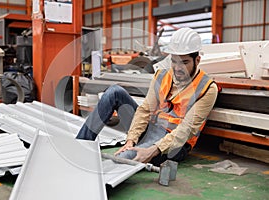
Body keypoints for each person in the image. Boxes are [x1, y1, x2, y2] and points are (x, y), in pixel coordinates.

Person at [76, 27, 218, 166]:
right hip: (151, 129)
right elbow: (145, 110)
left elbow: (186, 130)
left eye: (184, 62)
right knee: (114, 92)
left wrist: (152, 150)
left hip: (174, 143)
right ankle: (80, 146)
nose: (177, 68)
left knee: (123, 159)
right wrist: (131, 140)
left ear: (197, 60)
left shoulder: (207, 88)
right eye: (174, 61)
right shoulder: (162, 76)